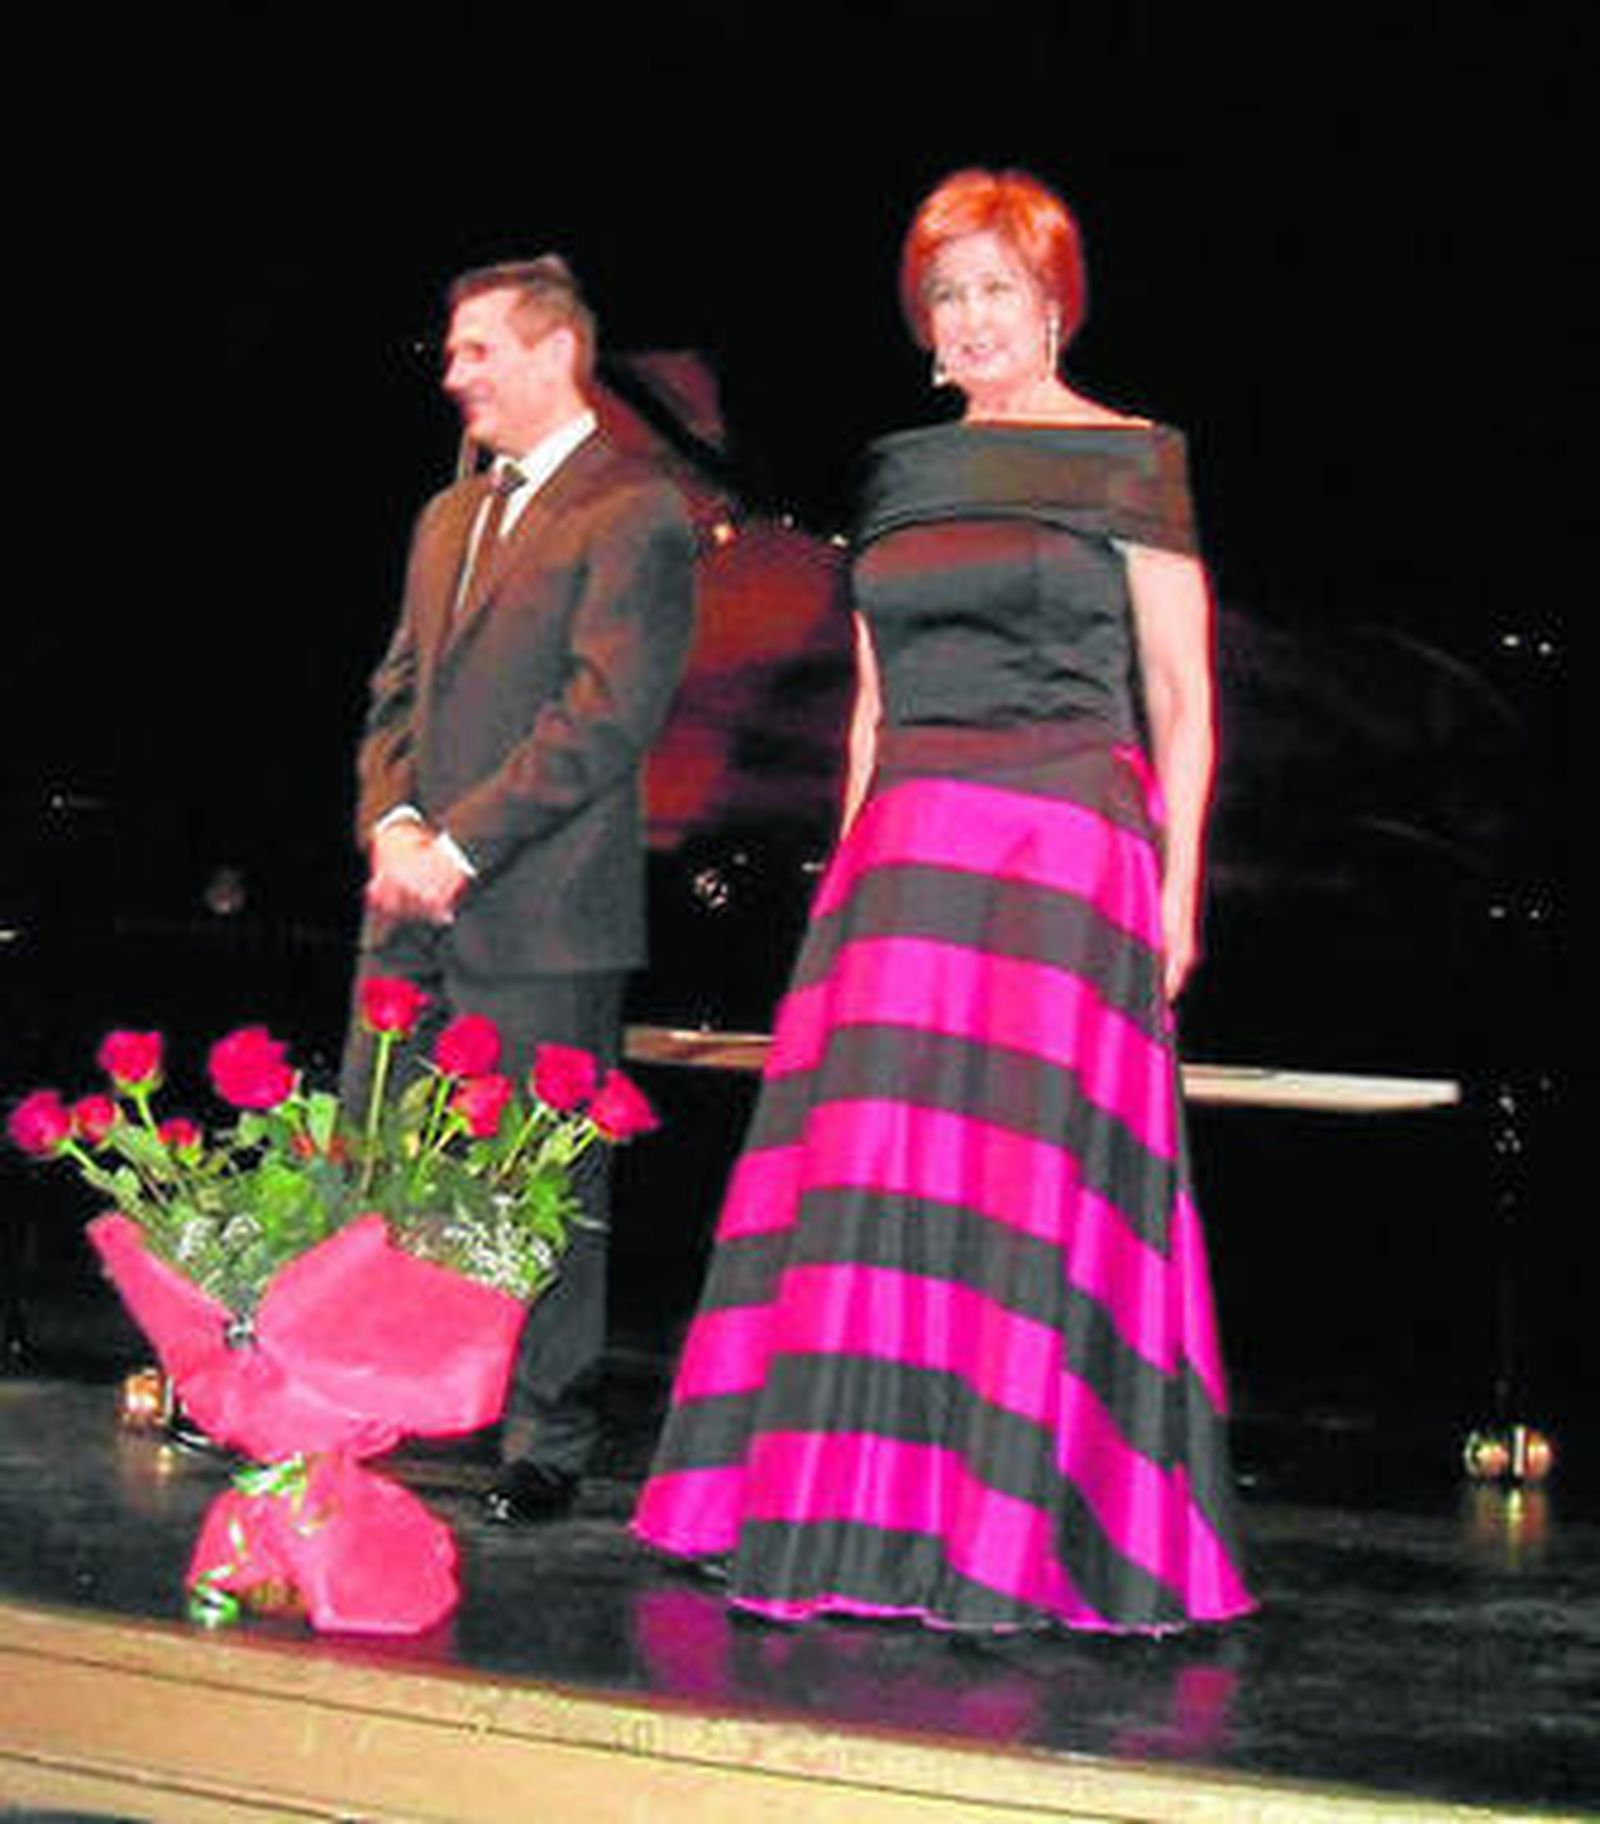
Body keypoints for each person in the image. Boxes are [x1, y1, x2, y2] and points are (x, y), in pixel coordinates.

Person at [633, 169, 1255, 1632]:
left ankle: (1020, 1534)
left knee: (1029, 1193)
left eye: (999, 292)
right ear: (926, 322)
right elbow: (867, 702)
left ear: (1054, 303)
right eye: (949, 296)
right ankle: (853, 1521)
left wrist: (1177, 893)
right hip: (907, 862)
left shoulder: (1133, 460)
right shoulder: (903, 473)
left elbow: (1183, 695)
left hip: (1061, 847)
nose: (974, 319)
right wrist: (847, 870)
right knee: (876, 1191)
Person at [345, 256, 695, 1524]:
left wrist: (462, 843)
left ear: (555, 355)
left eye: (476, 350)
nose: (455, 377)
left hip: (542, 910)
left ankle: (547, 1439)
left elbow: (603, 717)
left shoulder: (635, 509)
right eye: (453, 352)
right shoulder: (447, 517)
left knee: (541, 1180)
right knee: (388, 1160)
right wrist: (392, 823)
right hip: (411, 902)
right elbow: (395, 692)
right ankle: (380, 1399)